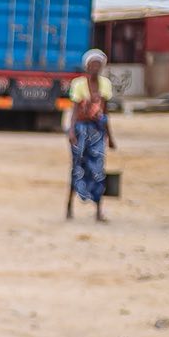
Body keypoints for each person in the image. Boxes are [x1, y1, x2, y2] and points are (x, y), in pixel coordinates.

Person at [66, 48, 114, 222]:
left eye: (98, 64)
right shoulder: (78, 84)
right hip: (80, 130)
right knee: (77, 167)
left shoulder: (106, 85)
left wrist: (110, 138)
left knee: (98, 170)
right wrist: (71, 131)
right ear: (87, 66)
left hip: (97, 132)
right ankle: (69, 207)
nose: (95, 67)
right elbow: (75, 110)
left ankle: (98, 211)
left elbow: (106, 113)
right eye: (92, 64)